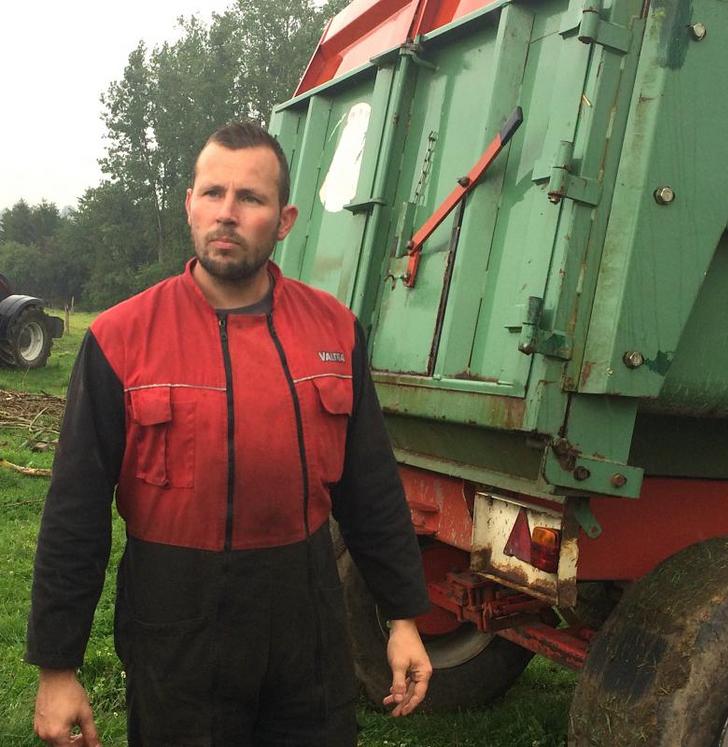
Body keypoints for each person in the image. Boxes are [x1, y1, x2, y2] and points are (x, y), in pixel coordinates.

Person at [27, 121, 432, 746]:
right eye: (212, 192)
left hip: (307, 627)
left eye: (251, 198)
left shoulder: (334, 331)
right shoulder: (120, 338)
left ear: (285, 218)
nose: (227, 213)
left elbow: (371, 489)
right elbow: (75, 513)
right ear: (189, 201)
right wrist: (58, 668)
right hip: (175, 632)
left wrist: (402, 617)